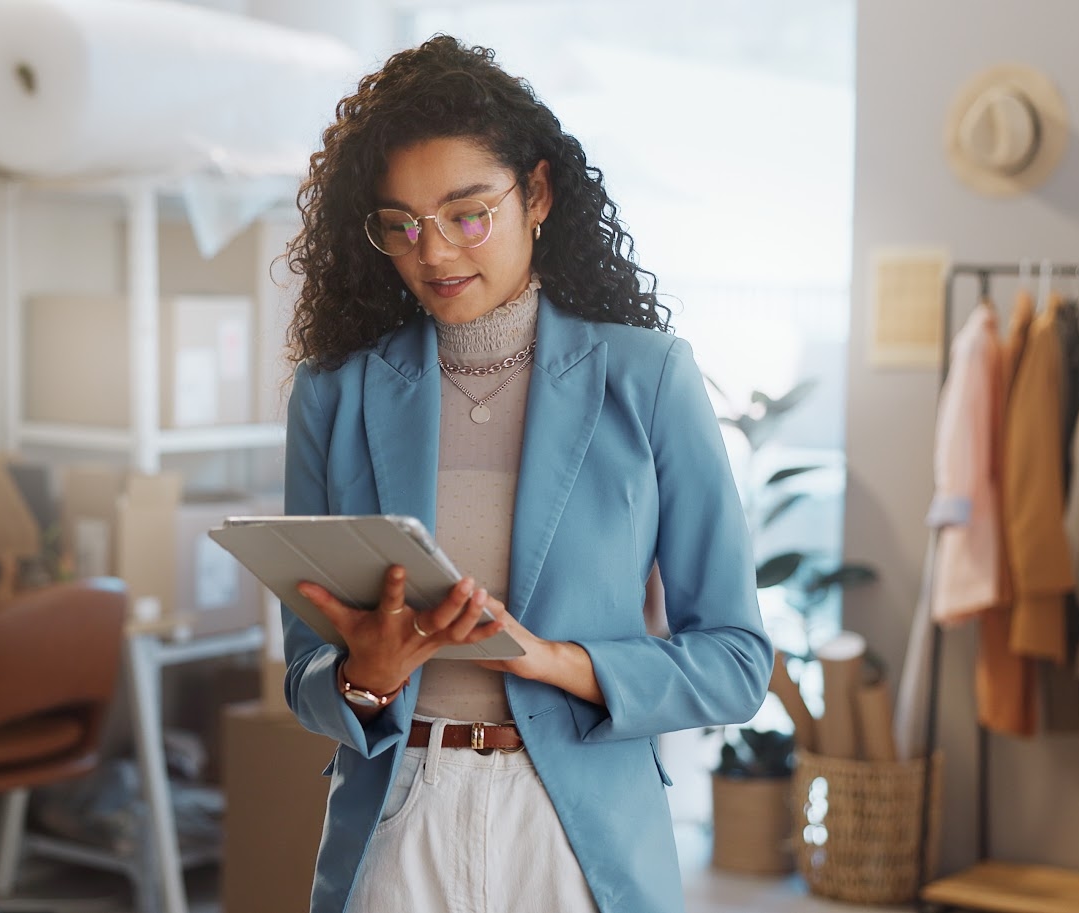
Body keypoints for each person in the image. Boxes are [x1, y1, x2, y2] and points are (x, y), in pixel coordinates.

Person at [280, 35, 772, 913]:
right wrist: (365, 676)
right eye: (401, 225)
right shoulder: (335, 393)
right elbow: (303, 672)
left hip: (576, 831)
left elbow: (733, 661)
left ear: (536, 194)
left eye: (467, 214)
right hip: (399, 823)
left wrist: (553, 661)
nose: (433, 253)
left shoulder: (648, 379)